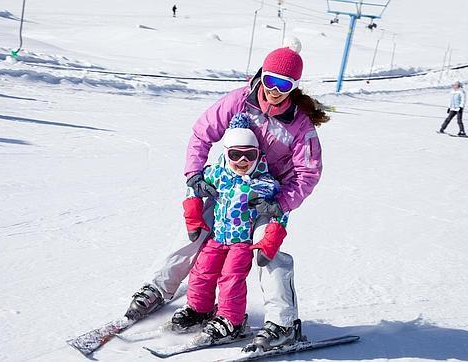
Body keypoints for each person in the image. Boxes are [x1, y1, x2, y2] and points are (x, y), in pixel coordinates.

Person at [124, 38, 329, 351]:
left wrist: (279, 203)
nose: (275, 89)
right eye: (271, 80)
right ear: (262, 74)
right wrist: (195, 174)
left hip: (267, 197)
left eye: (284, 84)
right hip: (229, 187)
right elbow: (202, 133)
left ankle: (282, 322)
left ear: (294, 86)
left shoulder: (299, 125)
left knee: (267, 252)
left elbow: (308, 173)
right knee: (194, 232)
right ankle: (158, 288)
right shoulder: (239, 101)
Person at [171, 114, 288, 341]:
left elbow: (280, 212)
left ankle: (232, 320)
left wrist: (271, 238)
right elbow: (193, 187)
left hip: (242, 243)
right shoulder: (217, 174)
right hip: (217, 238)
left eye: (249, 155)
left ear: (258, 155)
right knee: (201, 272)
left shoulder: (264, 183)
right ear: (226, 153)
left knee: (231, 278)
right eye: (235, 155)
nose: (242, 161)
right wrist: (193, 215)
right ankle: (199, 309)